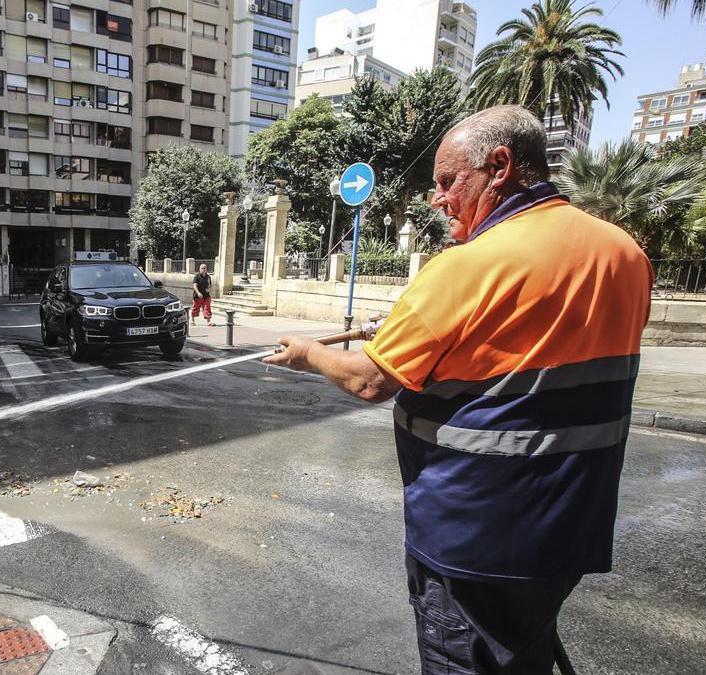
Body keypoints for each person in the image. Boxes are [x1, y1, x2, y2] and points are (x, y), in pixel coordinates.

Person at [264, 105, 652, 674]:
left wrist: (308, 354)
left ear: (499, 166)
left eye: (448, 181)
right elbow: (528, 348)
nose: (438, 199)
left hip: (473, 538)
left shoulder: (465, 267)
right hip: (570, 528)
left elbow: (370, 380)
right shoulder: (624, 255)